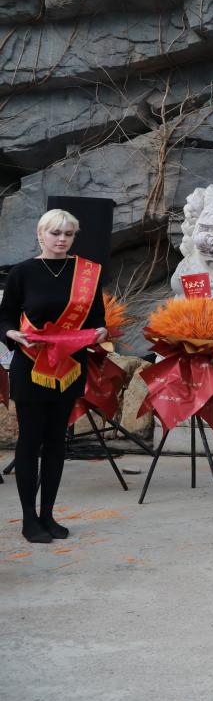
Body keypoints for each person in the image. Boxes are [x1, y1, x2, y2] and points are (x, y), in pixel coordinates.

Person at [1, 210, 107, 544]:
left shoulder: (87, 273)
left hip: (68, 365)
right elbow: (4, 318)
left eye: (68, 234)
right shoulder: (22, 272)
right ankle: (28, 519)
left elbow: (98, 318)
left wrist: (100, 331)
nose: (62, 239)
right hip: (32, 366)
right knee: (30, 441)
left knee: (56, 442)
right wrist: (13, 335)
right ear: (40, 234)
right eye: (55, 233)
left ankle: (48, 514)